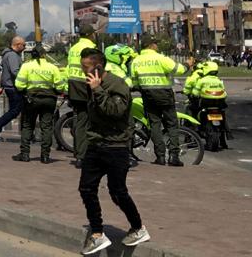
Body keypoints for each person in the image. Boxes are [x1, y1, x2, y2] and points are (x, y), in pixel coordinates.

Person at [77, 48, 149, 254]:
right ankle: (97, 233)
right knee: (86, 188)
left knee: (117, 191)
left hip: (116, 146)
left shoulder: (117, 84)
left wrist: (98, 90)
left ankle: (138, 227)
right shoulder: (92, 84)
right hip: (96, 144)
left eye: (86, 67)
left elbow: (115, 112)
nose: (84, 72)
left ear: (98, 66)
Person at [130, 36, 189, 167]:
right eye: (155, 44)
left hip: (147, 95)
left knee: (154, 124)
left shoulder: (136, 61)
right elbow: (178, 70)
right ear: (151, 46)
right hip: (164, 95)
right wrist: (187, 65)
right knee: (171, 125)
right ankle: (174, 156)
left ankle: (160, 157)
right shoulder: (160, 58)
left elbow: (135, 82)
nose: (157, 46)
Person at [12, 45, 65, 164]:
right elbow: (60, 86)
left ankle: (25, 154)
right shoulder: (52, 67)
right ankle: (45, 156)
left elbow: (19, 85)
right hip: (49, 100)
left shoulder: (26, 66)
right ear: (44, 55)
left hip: (32, 100)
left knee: (28, 125)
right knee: (46, 127)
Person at [64, 23, 99, 166]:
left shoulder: (73, 48)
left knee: (79, 119)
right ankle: (82, 155)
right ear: (91, 34)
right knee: (85, 121)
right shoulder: (91, 49)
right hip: (86, 85)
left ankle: (80, 152)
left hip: (73, 85)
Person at [0, 36, 26, 142]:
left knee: (18, 110)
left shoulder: (10, 54)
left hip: (10, 86)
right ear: (17, 44)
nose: (24, 47)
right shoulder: (13, 56)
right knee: (14, 111)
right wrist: (26, 81)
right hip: (13, 87)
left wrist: (1, 86)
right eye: (23, 45)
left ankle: (26, 133)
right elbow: (15, 72)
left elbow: (5, 72)